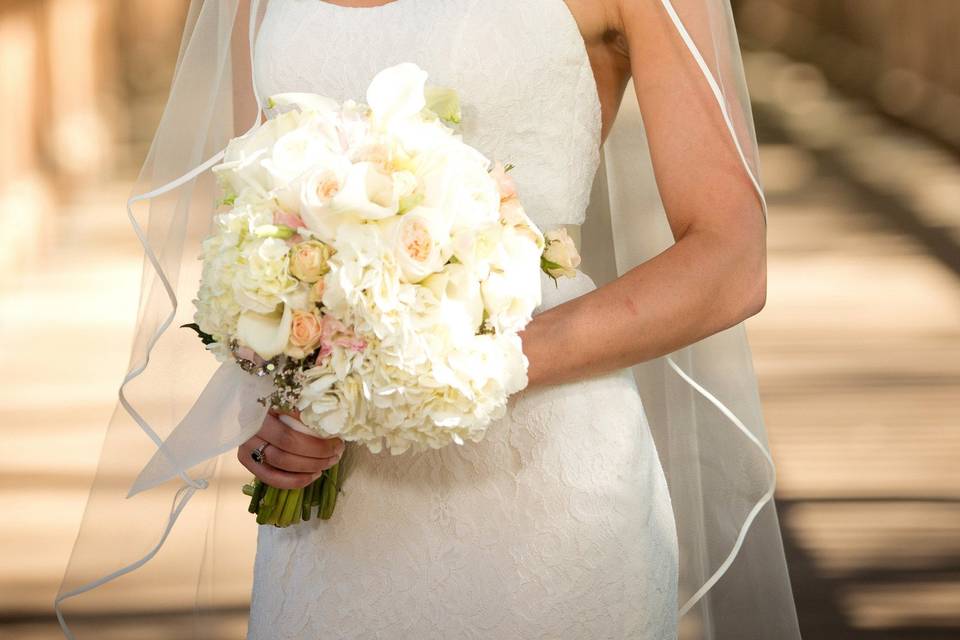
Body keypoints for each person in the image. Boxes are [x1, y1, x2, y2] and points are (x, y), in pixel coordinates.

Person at [56, 1, 801, 638]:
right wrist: (279, 397)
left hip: (547, 492)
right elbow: (261, 220)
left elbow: (731, 259)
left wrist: (455, 365)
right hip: (339, 505)